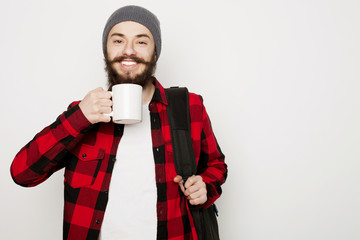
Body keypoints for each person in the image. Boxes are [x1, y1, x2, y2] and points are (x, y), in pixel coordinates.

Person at [10, 5, 227, 240]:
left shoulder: (189, 107)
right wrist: (79, 118)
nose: (129, 51)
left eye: (141, 42)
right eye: (118, 40)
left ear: (155, 53)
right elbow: (22, 173)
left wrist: (205, 185)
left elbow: (217, 165)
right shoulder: (81, 115)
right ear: (106, 50)